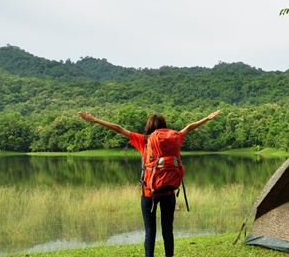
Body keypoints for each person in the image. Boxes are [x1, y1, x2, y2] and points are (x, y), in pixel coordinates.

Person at [77, 110, 220, 257]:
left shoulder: (144, 140)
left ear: (149, 126)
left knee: (150, 231)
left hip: (149, 192)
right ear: (164, 126)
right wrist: (207, 118)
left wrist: (95, 120)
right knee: (167, 230)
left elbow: (118, 128)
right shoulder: (175, 138)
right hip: (169, 191)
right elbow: (189, 127)